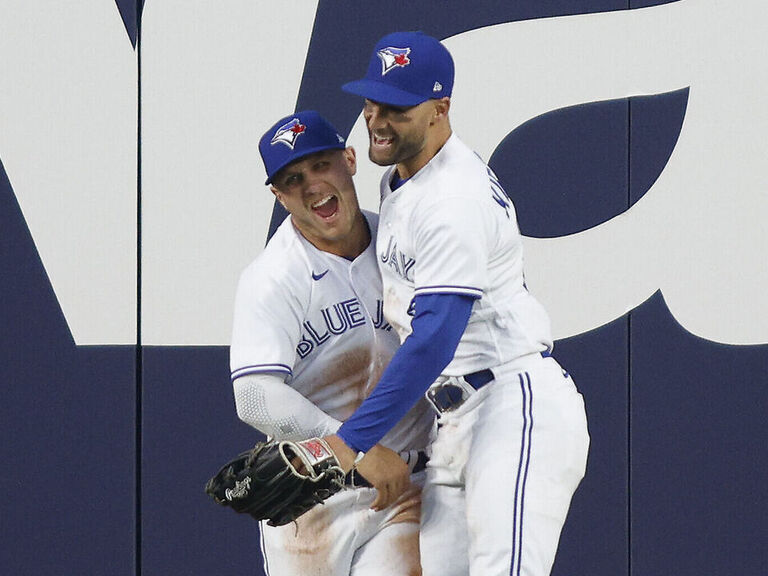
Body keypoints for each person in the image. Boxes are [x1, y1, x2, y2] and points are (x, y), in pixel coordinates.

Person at [323, 31, 590, 576]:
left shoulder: (453, 199)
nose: (376, 119)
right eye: (371, 102)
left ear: (439, 109)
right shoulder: (404, 181)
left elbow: (435, 340)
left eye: (396, 107)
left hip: (512, 408)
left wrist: (348, 442)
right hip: (455, 422)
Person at [230, 110, 434, 576]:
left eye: (321, 165)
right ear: (279, 196)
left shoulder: (401, 242)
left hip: (405, 484)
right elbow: (255, 396)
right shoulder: (272, 277)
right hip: (313, 497)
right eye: (293, 178)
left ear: (350, 159)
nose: (311, 184)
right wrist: (355, 448)